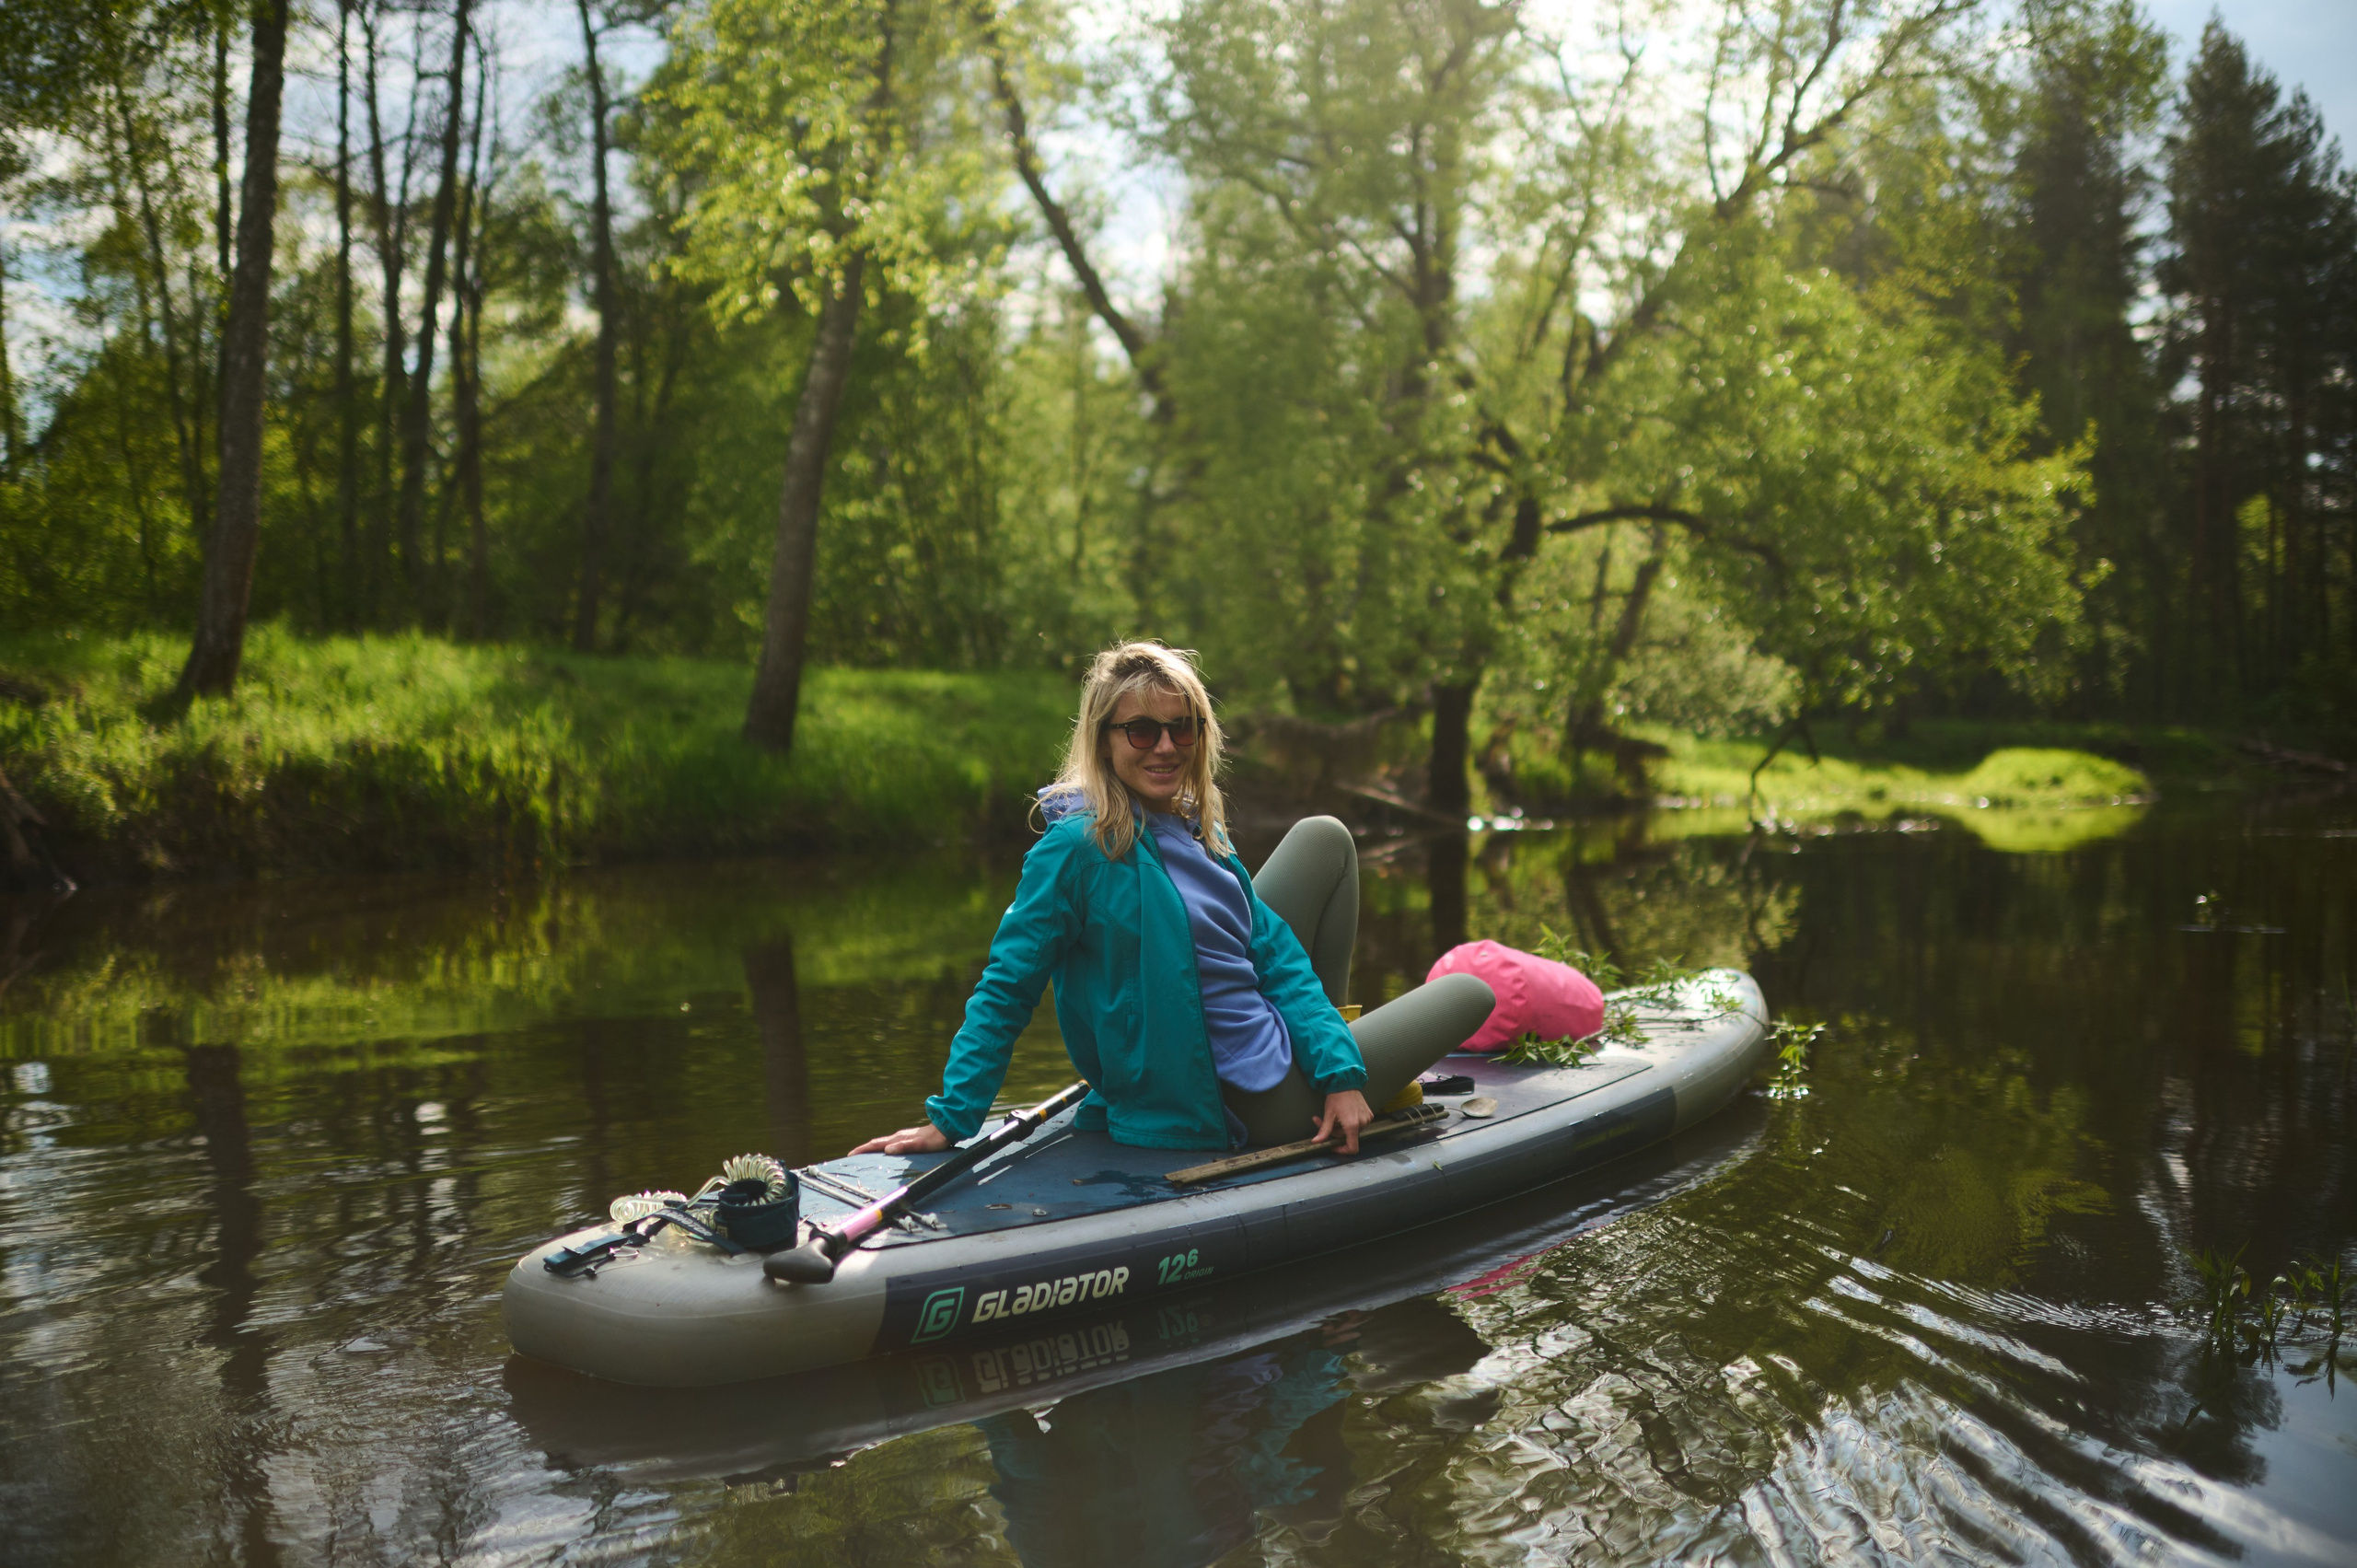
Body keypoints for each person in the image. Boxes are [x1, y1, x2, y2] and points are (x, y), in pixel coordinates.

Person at [853, 641, 1493, 1157]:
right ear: (1103, 739)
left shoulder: (1195, 828)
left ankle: (1333, 1065)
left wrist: (1341, 1075)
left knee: (1324, 838)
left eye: (1181, 729)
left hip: (1267, 1043)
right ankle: (1328, 1074)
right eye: (1141, 730)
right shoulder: (1076, 849)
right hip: (1229, 1101)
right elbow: (1007, 985)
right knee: (1471, 992)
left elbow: (1279, 960)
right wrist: (953, 1117)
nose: (1165, 747)